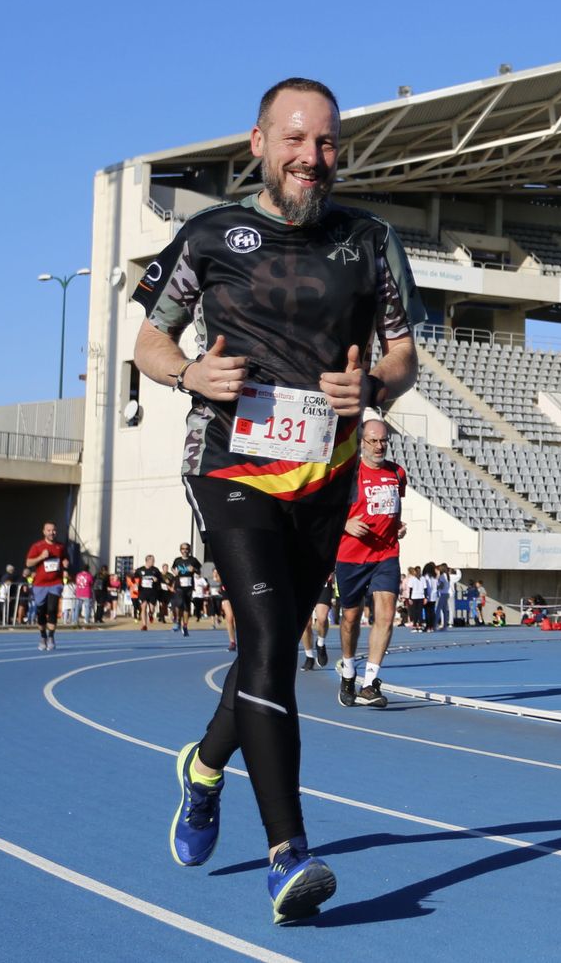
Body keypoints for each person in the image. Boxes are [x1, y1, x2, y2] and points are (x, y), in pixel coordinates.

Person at [133, 77, 420, 923]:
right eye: (295, 140)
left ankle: (203, 765)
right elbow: (150, 338)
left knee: (271, 649)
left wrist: (369, 383)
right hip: (229, 465)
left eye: (327, 143)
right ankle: (288, 852)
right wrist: (188, 371)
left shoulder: (371, 240)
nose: (312, 157)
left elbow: (403, 359)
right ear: (258, 142)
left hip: (323, 476)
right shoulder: (210, 233)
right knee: (266, 641)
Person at [334, 418, 407, 708]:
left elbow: (394, 510)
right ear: (361, 442)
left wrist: (399, 526)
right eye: (373, 440)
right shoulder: (347, 474)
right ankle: (349, 671)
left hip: (386, 554)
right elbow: (323, 512)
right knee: (350, 619)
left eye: (383, 441)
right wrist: (345, 523)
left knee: (386, 614)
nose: (379, 446)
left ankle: (370, 683)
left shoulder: (397, 473)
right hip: (351, 556)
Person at [24, 522, 66, 651]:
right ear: (44, 532)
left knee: (53, 609)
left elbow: (65, 559)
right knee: (41, 612)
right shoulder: (37, 546)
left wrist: (66, 563)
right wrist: (41, 557)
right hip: (40, 584)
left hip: (55, 583)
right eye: (49, 530)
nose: (51, 532)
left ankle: (51, 637)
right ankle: (43, 637)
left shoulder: (60, 547)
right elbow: (28, 562)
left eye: (53, 530)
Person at [301, 574, 334, 670]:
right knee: (305, 623)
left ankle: (320, 643)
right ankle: (309, 657)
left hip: (322, 578)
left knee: (322, 618)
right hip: (303, 581)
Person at [171, 543, 203, 636]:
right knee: (179, 603)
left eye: (186, 549)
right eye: (183, 549)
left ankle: (185, 626)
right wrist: (174, 572)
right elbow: (172, 568)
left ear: (189, 550)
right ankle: (177, 621)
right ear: (180, 550)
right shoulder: (177, 560)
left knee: (186, 607)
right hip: (179, 585)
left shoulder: (193, 560)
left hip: (189, 587)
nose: (185, 550)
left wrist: (194, 570)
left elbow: (201, 570)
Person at [132, 555, 162, 631]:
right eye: (152, 561)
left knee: (151, 608)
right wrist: (136, 584)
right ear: (147, 561)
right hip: (143, 591)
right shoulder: (140, 570)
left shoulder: (155, 570)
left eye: (154, 561)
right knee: (143, 606)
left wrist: (157, 580)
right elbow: (134, 579)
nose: (153, 562)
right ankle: (144, 625)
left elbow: (160, 579)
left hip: (153, 592)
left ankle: (151, 614)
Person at [212, 567, 236, 650]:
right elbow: (216, 579)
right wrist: (216, 574)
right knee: (229, 618)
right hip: (226, 594)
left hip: (237, 592)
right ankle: (232, 642)